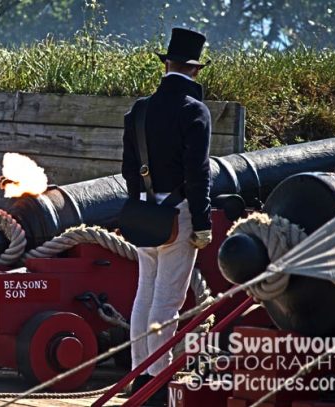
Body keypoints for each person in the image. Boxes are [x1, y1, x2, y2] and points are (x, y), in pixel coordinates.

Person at [121, 27, 213, 403]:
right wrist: (203, 222)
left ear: (167, 65)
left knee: (145, 295)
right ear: (194, 70)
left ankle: (139, 375)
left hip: (146, 211)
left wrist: (141, 204)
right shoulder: (195, 110)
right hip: (179, 212)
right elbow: (198, 172)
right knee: (168, 302)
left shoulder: (140, 110)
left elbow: (129, 168)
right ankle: (158, 382)